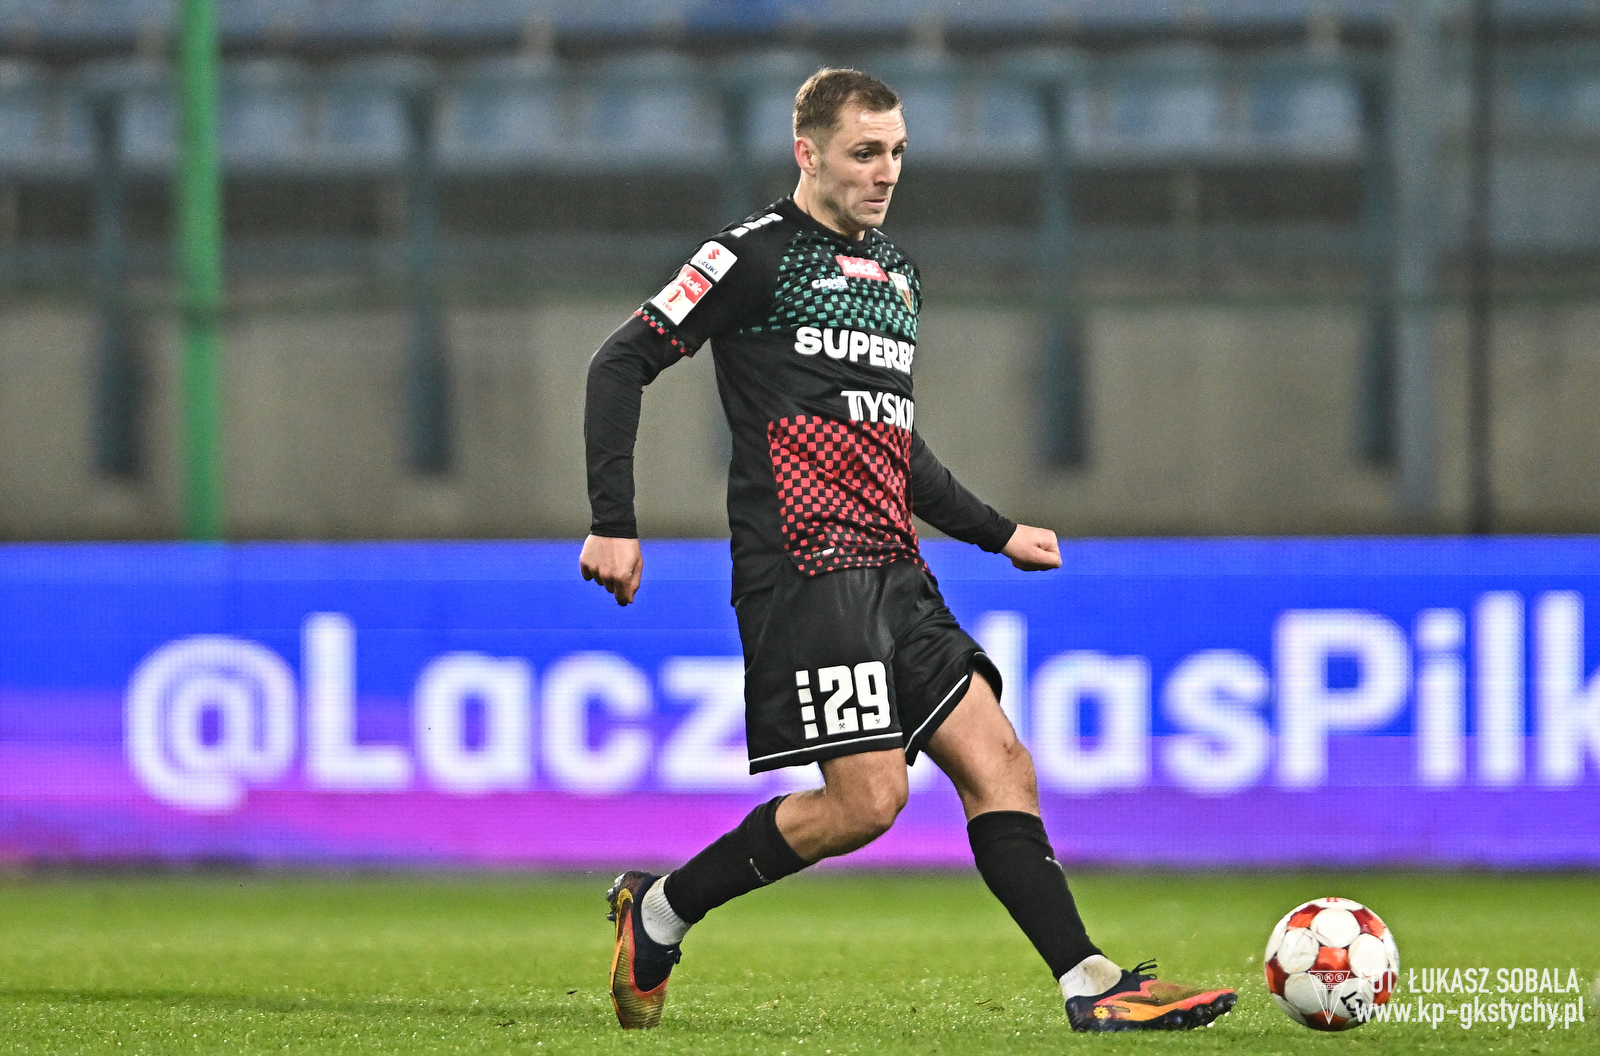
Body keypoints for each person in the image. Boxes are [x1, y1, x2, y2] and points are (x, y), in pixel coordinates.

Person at [580, 67, 1236, 1034]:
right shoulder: (750, 256)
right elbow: (620, 361)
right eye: (864, 152)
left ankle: (1092, 983)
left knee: (1001, 761)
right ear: (807, 154)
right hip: (807, 568)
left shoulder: (897, 276)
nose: (885, 172)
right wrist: (614, 519)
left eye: (896, 152)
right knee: (868, 801)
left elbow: (894, 445)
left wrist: (996, 531)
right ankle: (663, 909)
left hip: (896, 569)